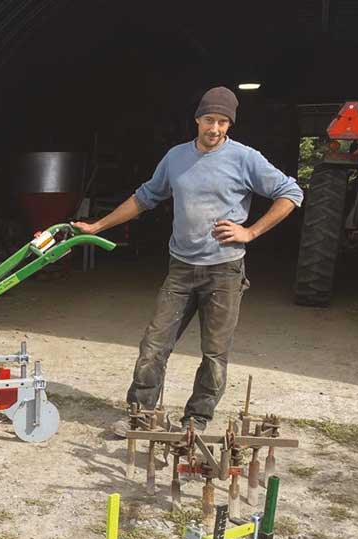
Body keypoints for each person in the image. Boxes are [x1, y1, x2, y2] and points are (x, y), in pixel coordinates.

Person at [73, 86, 304, 435]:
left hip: (224, 271)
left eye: (224, 122)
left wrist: (251, 232)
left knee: (214, 355)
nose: (216, 128)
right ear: (197, 119)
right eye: (210, 119)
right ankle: (140, 415)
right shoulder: (176, 157)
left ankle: (196, 420)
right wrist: (97, 225)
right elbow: (145, 197)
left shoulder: (245, 158)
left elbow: (291, 193)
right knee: (153, 346)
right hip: (181, 269)